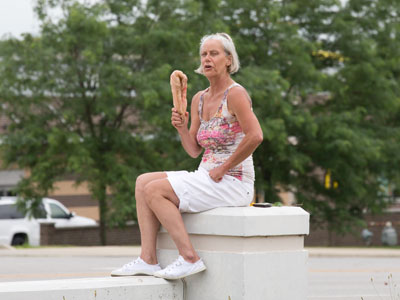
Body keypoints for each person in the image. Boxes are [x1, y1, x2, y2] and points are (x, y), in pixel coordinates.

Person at [111, 32, 263, 280]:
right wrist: (181, 127)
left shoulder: (235, 94)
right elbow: (194, 150)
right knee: (142, 183)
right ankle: (148, 259)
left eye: (214, 53)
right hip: (208, 176)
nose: (207, 59)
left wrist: (223, 168)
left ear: (228, 60)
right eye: (204, 54)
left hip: (234, 181)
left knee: (155, 191)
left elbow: (255, 136)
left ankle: (189, 258)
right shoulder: (199, 99)